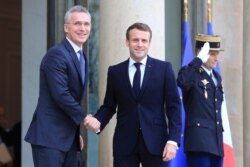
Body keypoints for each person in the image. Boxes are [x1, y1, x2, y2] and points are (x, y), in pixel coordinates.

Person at [85, 22, 181, 167]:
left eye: (144, 40)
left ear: (149, 43)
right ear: (127, 42)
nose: (140, 44)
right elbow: (109, 106)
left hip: (156, 143)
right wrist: (98, 121)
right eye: (135, 40)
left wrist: (173, 141)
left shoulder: (164, 69)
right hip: (124, 143)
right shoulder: (115, 72)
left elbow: (174, 107)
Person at [24, 5, 100, 167]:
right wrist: (85, 118)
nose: (82, 28)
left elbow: (73, 98)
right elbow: (61, 94)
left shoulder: (82, 58)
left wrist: (74, 134)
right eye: (77, 24)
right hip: (50, 138)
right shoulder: (56, 54)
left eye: (86, 24)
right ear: (66, 28)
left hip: (68, 139)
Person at [177, 34, 224, 167]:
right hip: (199, 142)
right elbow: (182, 81)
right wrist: (198, 60)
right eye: (212, 54)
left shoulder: (216, 77)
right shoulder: (191, 73)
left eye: (217, 54)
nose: (216, 58)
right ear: (201, 52)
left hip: (216, 143)